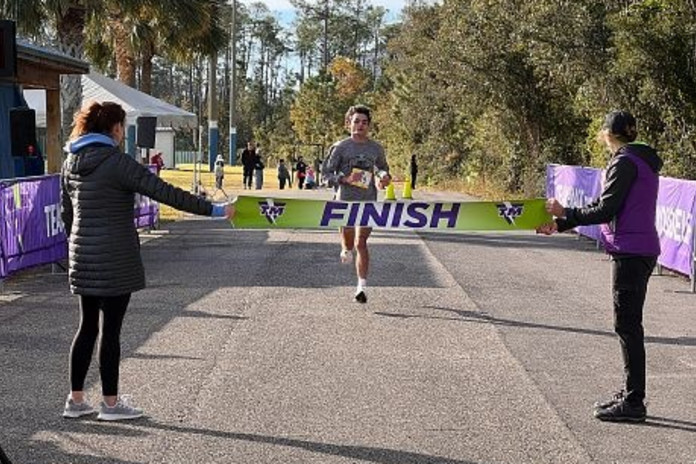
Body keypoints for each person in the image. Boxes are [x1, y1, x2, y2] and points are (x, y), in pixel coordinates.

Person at [60, 101, 231, 422]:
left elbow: (65, 213)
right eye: (122, 127)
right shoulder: (117, 161)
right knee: (110, 331)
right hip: (115, 257)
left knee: (86, 327)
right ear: (114, 128)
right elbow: (164, 192)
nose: (123, 133)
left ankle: (76, 399)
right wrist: (215, 210)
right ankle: (110, 405)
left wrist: (78, 246)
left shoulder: (71, 161)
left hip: (81, 256)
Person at [538, 110, 662, 423]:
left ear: (607, 133)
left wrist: (566, 214)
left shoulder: (624, 162)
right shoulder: (642, 158)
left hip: (632, 250)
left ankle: (634, 401)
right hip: (638, 248)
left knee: (627, 325)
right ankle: (631, 393)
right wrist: (563, 223)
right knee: (628, 324)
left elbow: (606, 208)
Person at [323, 105, 391, 304]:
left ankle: (361, 287)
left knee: (362, 243)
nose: (360, 125)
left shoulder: (376, 148)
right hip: (345, 200)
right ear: (348, 124)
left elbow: (382, 169)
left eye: (364, 122)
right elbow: (326, 173)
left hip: (368, 199)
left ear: (369, 126)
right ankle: (345, 247)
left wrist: (384, 177)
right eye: (356, 121)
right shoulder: (340, 147)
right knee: (350, 242)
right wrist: (342, 179)